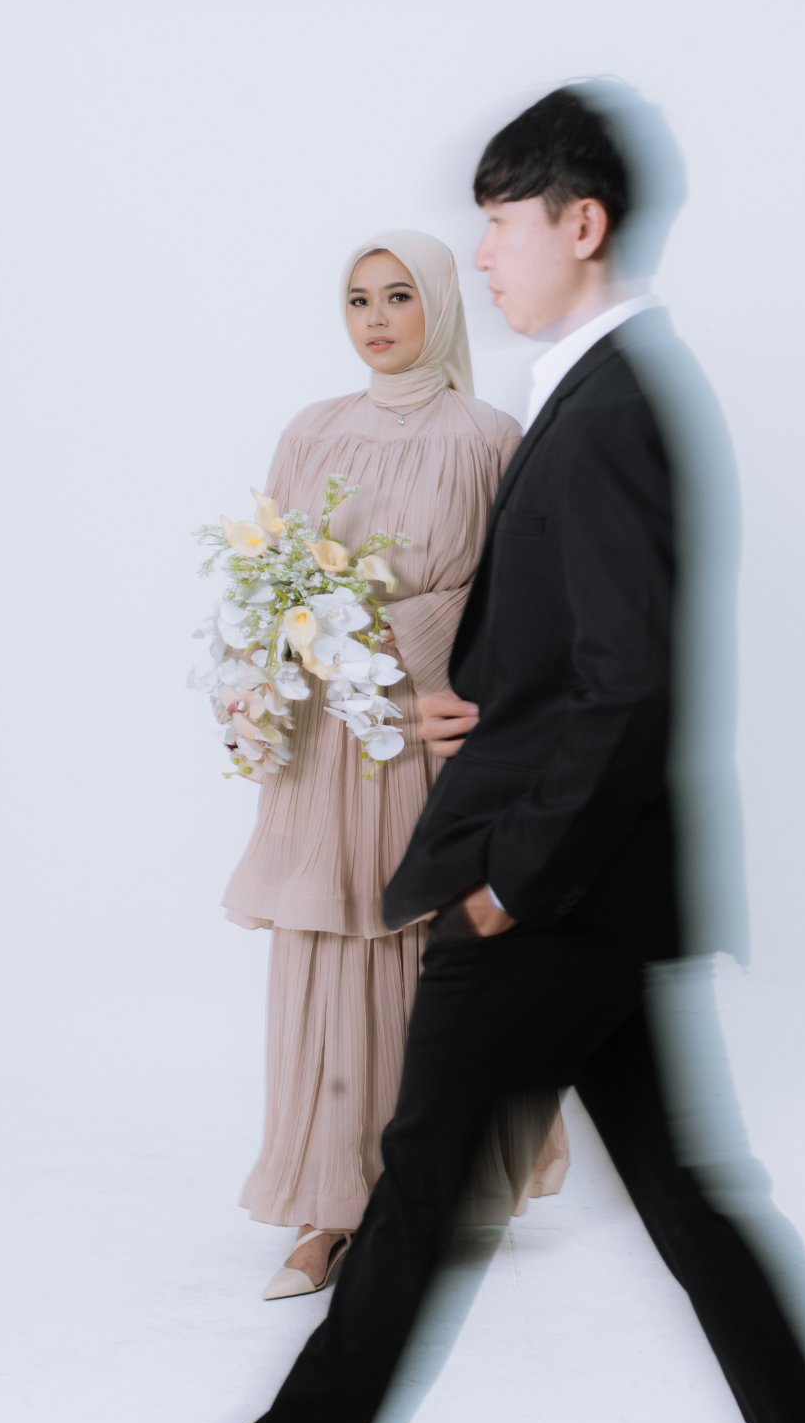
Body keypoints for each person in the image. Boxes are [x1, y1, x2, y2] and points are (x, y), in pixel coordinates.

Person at [54, 85, 805, 1423]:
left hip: (551, 901)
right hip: (605, 897)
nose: (481, 253)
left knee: (417, 1210)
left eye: (499, 223)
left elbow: (626, 687)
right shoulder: (610, 391)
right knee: (686, 1204)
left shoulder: (608, 408)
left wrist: (509, 882)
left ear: (577, 224)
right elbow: (583, 662)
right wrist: (480, 699)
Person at [224, 228, 567, 1298]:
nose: (375, 319)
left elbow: (519, 597)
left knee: (432, 958)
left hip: (430, 734)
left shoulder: (490, 438)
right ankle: (328, 1210)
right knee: (329, 956)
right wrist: (257, 679)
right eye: (359, 299)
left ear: (441, 307)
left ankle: (435, 1192)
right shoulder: (311, 430)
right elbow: (269, 578)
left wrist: (407, 660)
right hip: (326, 741)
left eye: (399, 296)